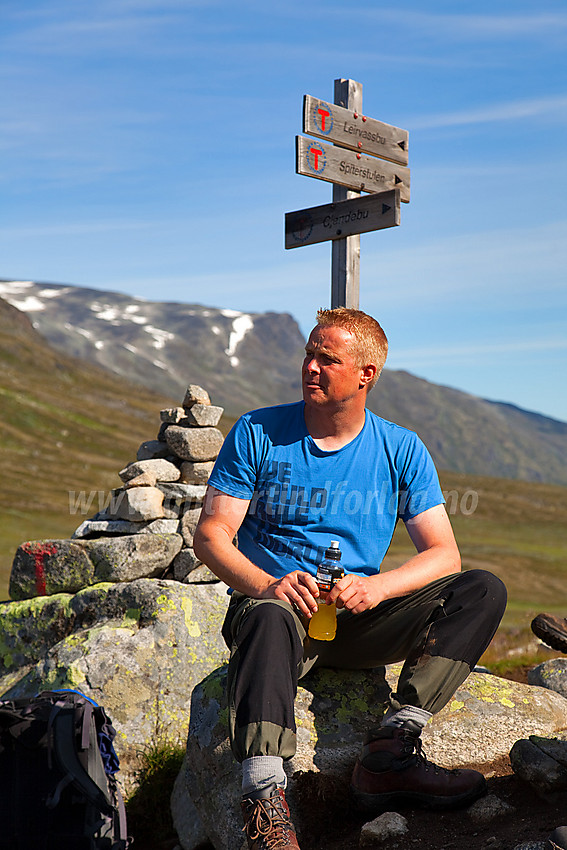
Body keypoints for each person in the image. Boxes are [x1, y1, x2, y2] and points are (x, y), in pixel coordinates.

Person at [194, 307, 507, 850]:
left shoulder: (401, 448)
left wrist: (378, 587)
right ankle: (265, 801)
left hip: (358, 619)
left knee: (482, 588)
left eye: (327, 359)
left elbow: (443, 555)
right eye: (308, 354)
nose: (310, 367)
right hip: (278, 614)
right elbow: (212, 535)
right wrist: (266, 584)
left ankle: (391, 751)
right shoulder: (257, 431)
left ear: (366, 374)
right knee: (268, 614)